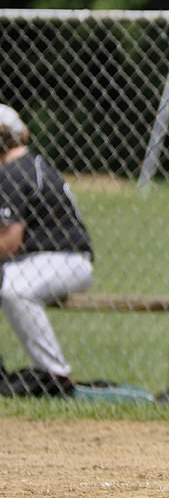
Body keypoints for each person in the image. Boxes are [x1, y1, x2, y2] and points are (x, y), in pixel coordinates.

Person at [0, 104, 93, 391]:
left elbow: (10, 240)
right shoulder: (33, 164)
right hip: (59, 260)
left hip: (62, 260)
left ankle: (56, 374)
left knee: (15, 289)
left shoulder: (12, 173)